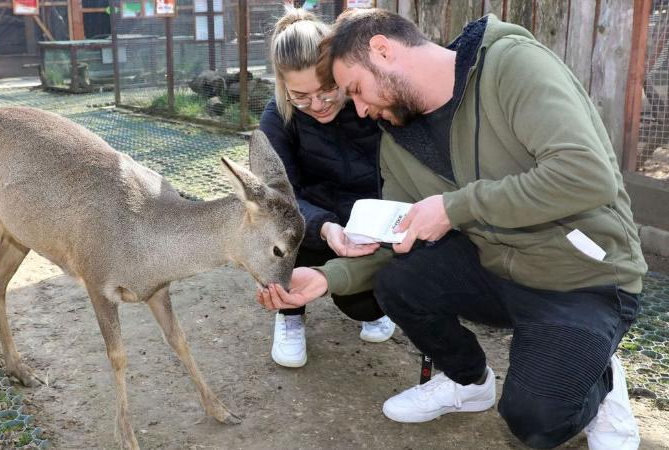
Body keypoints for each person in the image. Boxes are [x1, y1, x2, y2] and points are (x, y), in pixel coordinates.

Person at [258, 8, 646, 450]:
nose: (360, 110)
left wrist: (454, 207)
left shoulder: (512, 63)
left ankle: (602, 377)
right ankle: (468, 383)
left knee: (536, 423)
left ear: (383, 51)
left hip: (582, 277)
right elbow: (398, 237)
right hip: (498, 268)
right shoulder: (397, 137)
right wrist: (327, 278)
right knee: (400, 280)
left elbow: (586, 176)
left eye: (355, 91)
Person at [258, 7, 395, 368]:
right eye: (300, 97)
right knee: (274, 232)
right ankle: (289, 314)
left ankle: (371, 305)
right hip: (313, 226)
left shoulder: (374, 101)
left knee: (361, 304)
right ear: (282, 86)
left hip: (368, 225)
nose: (317, 105)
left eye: (327, 90)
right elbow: (279, 198)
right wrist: (324, 227)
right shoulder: (277, 118)